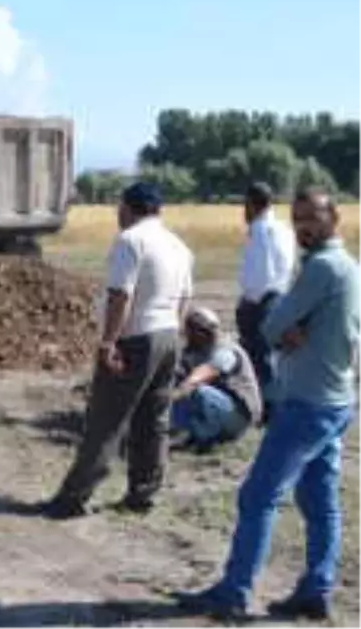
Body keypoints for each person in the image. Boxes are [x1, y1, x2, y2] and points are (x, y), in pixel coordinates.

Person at [177, 189, 361, 621]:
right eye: (298, 219)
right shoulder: (351, 267)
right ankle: (316, 590)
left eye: (312, 218)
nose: (303, 227)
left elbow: (272, 322)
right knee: (320, 501)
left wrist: (290, 328)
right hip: (336, 400)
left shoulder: (321, 268)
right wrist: (297, 329)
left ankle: (233, 593)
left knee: (258, 496)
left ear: (334, 217)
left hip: (307, 403)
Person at [43, 181, 194, 519]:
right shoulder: (178, 246)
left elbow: (120, 296)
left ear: (128, 207)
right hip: (168, 334)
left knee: (106, 420)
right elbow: (185, 298)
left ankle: (73, 497)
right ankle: (143, 493)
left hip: (136, 337)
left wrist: (109, 342)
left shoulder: (130, 241)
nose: (117, 213)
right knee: (153, 420)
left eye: (119, 207)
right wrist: (174, 334)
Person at [235, 182, 296, 425]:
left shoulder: (260, 230)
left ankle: (269, 409)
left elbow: (261, 273)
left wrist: (249, 300)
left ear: (251, 204)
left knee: (261, 357)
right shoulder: (283, 228)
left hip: (262, 300)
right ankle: (274, 404)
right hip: (280, 295)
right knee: (272, 355)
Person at [169, 307, 263, 453]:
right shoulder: (194, 351)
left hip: (239, 416)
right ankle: (192, 434)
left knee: (198, 392)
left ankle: (206, 438)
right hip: (217, 408)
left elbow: (208, 371)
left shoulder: (226, 349)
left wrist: (178, 392)